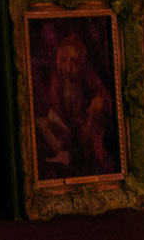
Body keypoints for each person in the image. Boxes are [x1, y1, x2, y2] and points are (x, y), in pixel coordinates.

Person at [34, 32, 118, 180]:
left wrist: (100, 101)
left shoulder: (87, 78)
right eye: (63, 61)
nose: (67, 68)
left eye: (74, 62)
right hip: (59, 148)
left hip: (84, 144)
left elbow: (110, 100)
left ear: (81, 63)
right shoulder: (51, 82)